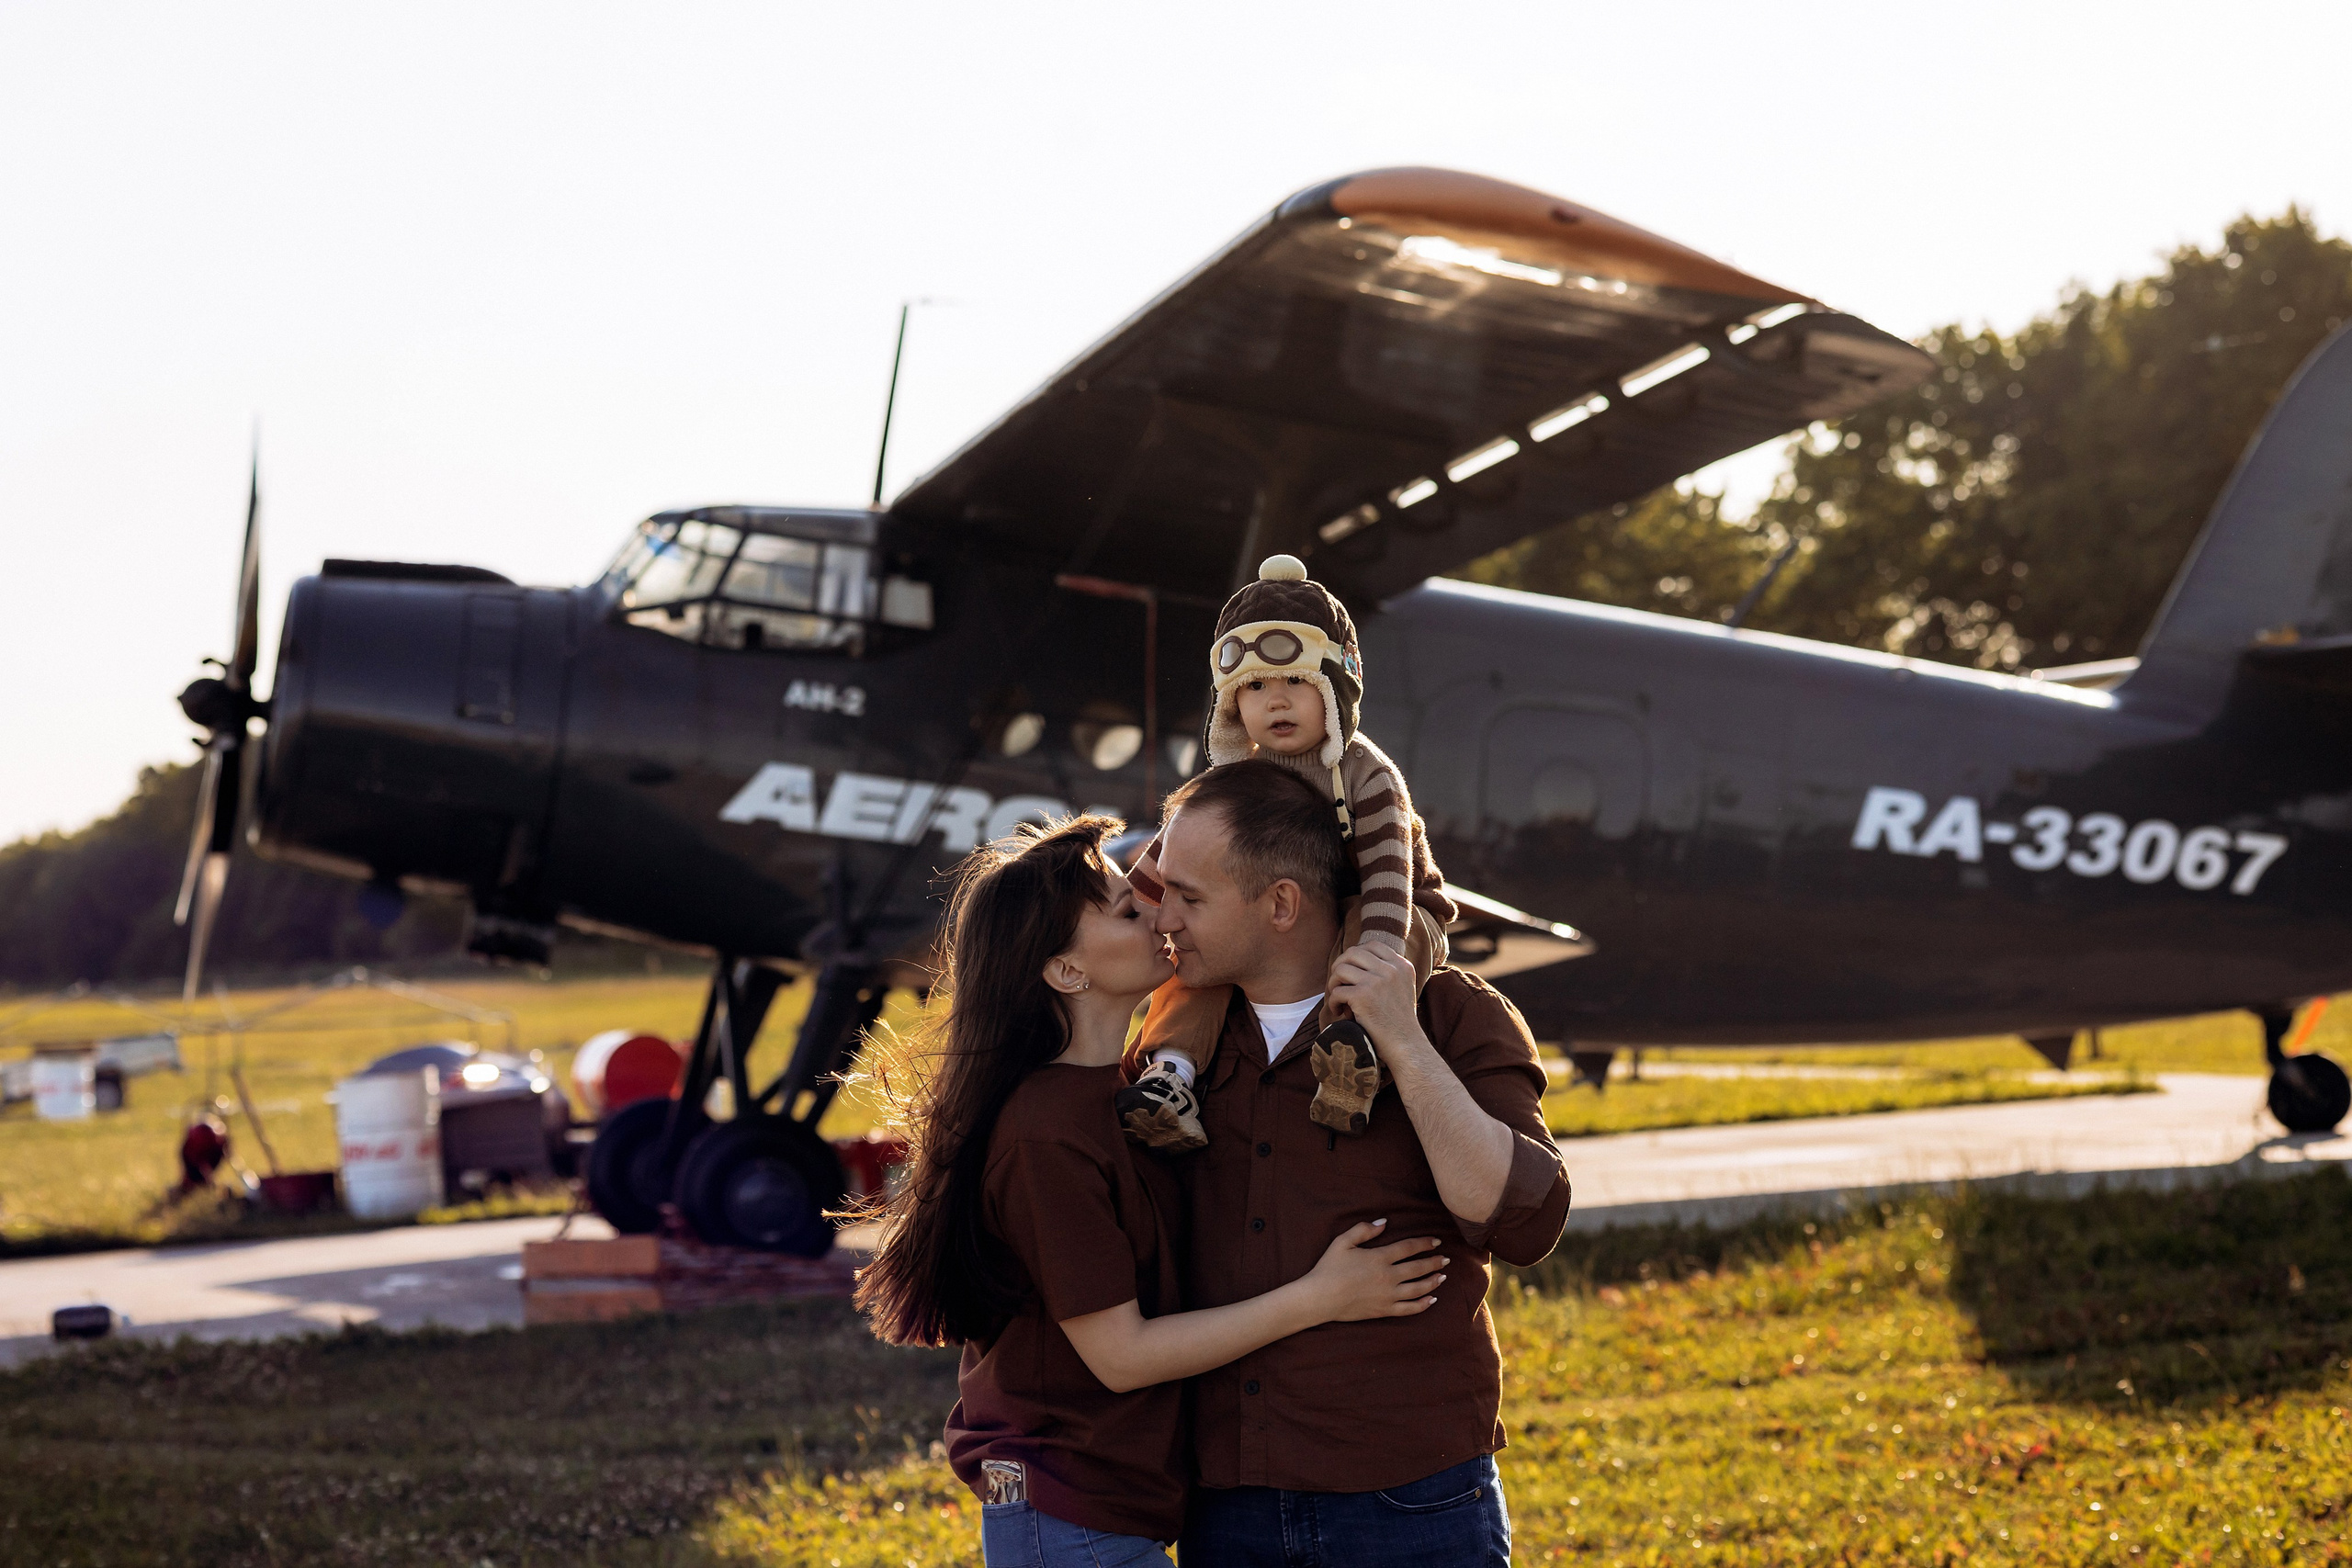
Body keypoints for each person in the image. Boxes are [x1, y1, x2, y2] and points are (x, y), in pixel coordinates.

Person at [853, 814, 1449, 1568]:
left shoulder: (1129, 1092)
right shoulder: (1046, 1133)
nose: (1161, 914)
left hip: (1107, 1512)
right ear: (1067, 972)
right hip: (1068, 1520)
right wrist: (1322, 1295)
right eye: (1128, 909)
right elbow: (1122, 1354)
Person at [1148, 761, 1574, 1566]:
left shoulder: (1451, 1014)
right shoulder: (1174, 1044)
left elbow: (1524, 1221)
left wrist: (1402, 1039)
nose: (1162, 916)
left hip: (1411, 1499)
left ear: (1280, 903)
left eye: (1189, 897)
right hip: (1225, 1503)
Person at [1123, 554, 1457, 1149]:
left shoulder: (1367, 774)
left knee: (1374, 948)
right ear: (1230, 703)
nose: (1275, 701)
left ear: (1336, 687)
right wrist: (1130, 905)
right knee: (1198, 964)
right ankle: (1170, 1076)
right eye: (1253, 686)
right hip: (1295, 912)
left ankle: (1354, 1051)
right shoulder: (1236, 779)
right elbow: (1169, 855)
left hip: (1394, 905)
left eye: (1295, 682)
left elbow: (1387, 879)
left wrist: (1371, 968)